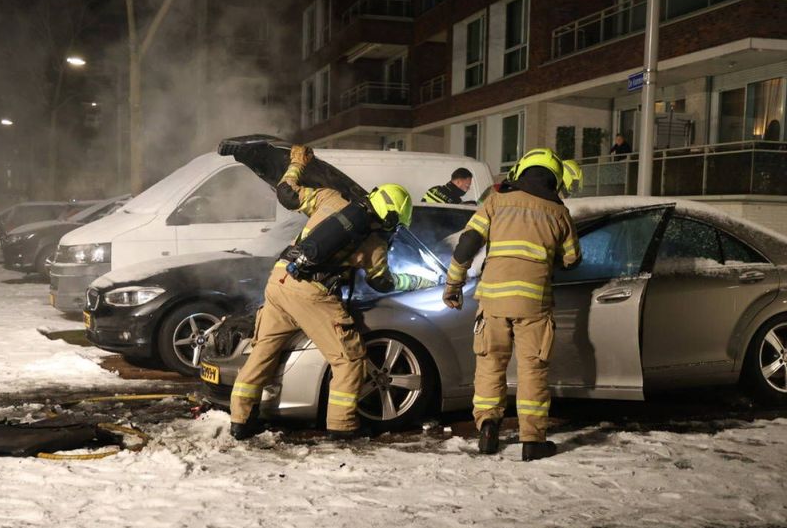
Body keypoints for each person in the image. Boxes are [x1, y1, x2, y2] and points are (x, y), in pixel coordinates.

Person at [230, 145, 436, 441]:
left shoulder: (329, 198)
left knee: (263, 352)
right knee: (349, 359)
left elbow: (287, 193)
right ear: (391, 218)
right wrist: (416, 281)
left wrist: (297, 163)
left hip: (280, 280)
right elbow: (383, 283)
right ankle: (342, 426)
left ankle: (241, 420)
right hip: (311, 294)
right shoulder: (374, 243)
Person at [441, 148, 581, 461]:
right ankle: (532, 440)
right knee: (533, 370)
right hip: (534, 304)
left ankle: (488, 427)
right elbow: (572, 259)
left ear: (521, 170)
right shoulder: (558, 212)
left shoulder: (496, 201)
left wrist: (453, 285)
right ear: (554, 178)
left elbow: (466, 246)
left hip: (493, 301)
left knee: (490, 363)